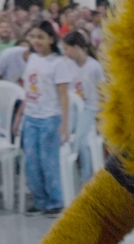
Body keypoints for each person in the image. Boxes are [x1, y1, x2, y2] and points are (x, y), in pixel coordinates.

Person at [17, 22, 71, 216]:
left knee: (48, 162)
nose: (36, 41)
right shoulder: (31, 58)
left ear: (51, 39)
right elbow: (27, 91)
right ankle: (39, 200)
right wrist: (19, 117)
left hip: (50, 118)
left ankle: (55, 201)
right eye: (33, 36)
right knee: (31, 162)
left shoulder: (58, 63)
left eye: (40, 37)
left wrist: (64, 125)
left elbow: (63, 96)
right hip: (31, 117)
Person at [61, 31, 104, 183]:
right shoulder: (68, 65)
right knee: (64, 136)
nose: (65, 53)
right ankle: (67, 175)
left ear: (76, 47)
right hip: (74, 107)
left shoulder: (94, 67)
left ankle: (87, 177)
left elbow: (101, 91)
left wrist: (100, 116)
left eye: (67, 49)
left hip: (90, 107)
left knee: (82, 141)